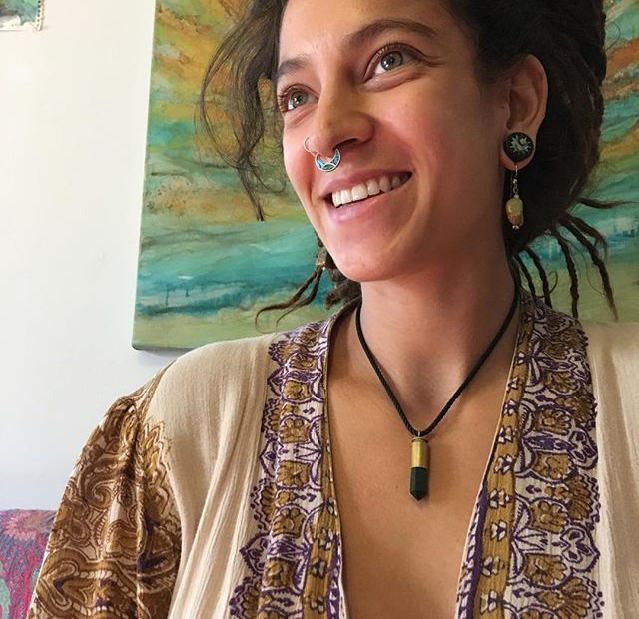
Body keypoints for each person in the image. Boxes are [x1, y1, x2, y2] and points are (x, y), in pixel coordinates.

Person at [28, 0, 639, 617]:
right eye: (297, 96)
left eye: (389, 61)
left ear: (516, 101)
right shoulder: (180, 428)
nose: (323, 135)